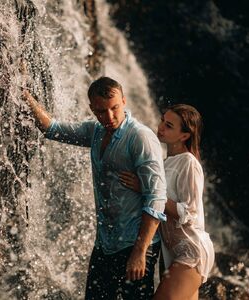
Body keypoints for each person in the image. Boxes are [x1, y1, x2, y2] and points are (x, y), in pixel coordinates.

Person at [22, 77, 167, 299]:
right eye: (101, 111)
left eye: (114, 108)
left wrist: (140, 251)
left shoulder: (140, 137)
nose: (109, 117)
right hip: (105, 244)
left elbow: (156, 198)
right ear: (92, 108)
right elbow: (51, 129)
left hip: (136, 244)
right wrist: (24, 93)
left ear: (124, 101)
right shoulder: (96, 132)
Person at [120, 104, 215, 300]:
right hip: (172, 252)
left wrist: (147, 188)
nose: (161, 126)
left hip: (191, 251)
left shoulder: (188, 162)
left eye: (169, 125)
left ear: (184, 136)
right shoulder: (164, 163)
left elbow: (190, 213)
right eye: (163, 120)